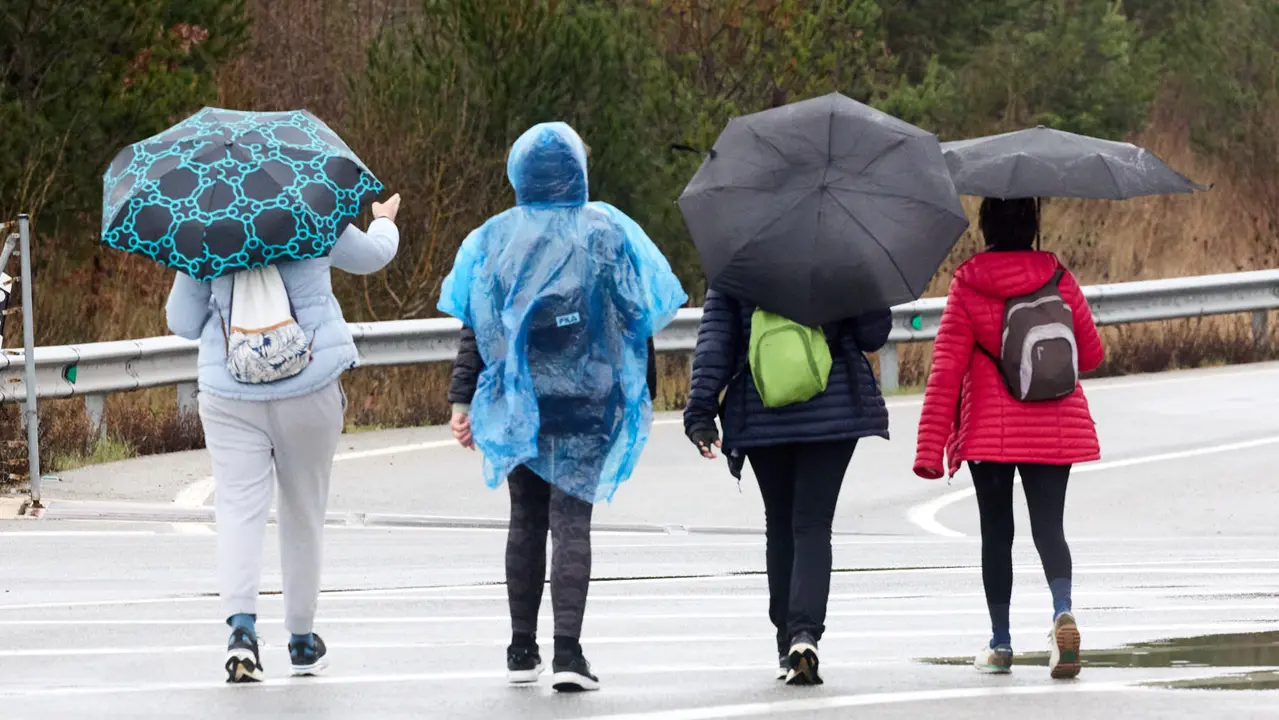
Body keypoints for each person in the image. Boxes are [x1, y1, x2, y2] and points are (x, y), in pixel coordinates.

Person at [439, 122, 685, 693]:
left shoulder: (495, 240)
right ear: (577, 171)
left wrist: (463, 397)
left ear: (519, 173)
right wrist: (640, 391)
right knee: (571, 521)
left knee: (525, 517)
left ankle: (521, 645)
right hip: (588, 402)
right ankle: (568, 652)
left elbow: (478, 326)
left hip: (520, 401)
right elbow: (634, 318)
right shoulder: (606, 232)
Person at [166, 194, 401, 683]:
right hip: (309, 384)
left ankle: (242, 633)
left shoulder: (205, 227)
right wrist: (383, 222)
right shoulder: (311, 208)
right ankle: (301, 640)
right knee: (303, 510)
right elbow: (373, 256)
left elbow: (182, 323)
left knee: (236, 509)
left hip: (230, 392)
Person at [913, 197, 1104, 680]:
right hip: (1054, 423)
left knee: (997, 533)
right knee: (1049, 527)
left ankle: (1000, 644)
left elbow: (946, 371)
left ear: (985, 227)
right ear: (1034, 223)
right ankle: (1062, 613)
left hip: (988, 433)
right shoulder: (1056, 276)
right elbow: (1094, 354)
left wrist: (929, 451)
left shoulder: (968, 283)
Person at [683, 293, 892, 686]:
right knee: (812, 523)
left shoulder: (737, 255)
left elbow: (717, 340)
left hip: (763, 406)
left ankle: (785, 644)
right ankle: (804, 634)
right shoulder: (840, 249)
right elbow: (872, 333)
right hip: (831, 406)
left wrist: (700, 412)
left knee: (780, 524)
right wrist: (863, 282)